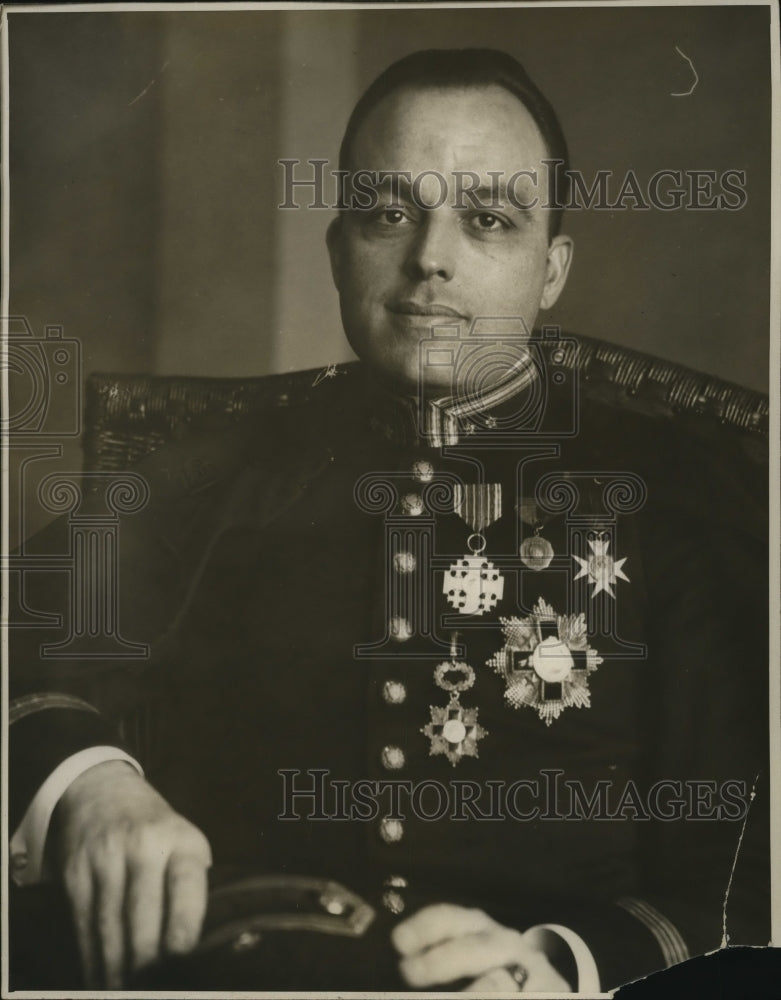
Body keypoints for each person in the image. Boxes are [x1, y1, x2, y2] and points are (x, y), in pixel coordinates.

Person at [9, 49, 769, 993]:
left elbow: (745, 869)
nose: (429, 258)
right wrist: (86, 782)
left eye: (487, 219)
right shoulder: (216, 467)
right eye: (387, 213)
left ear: (550, 270)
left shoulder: (678, 494)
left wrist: (560, 967)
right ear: (338, 250)